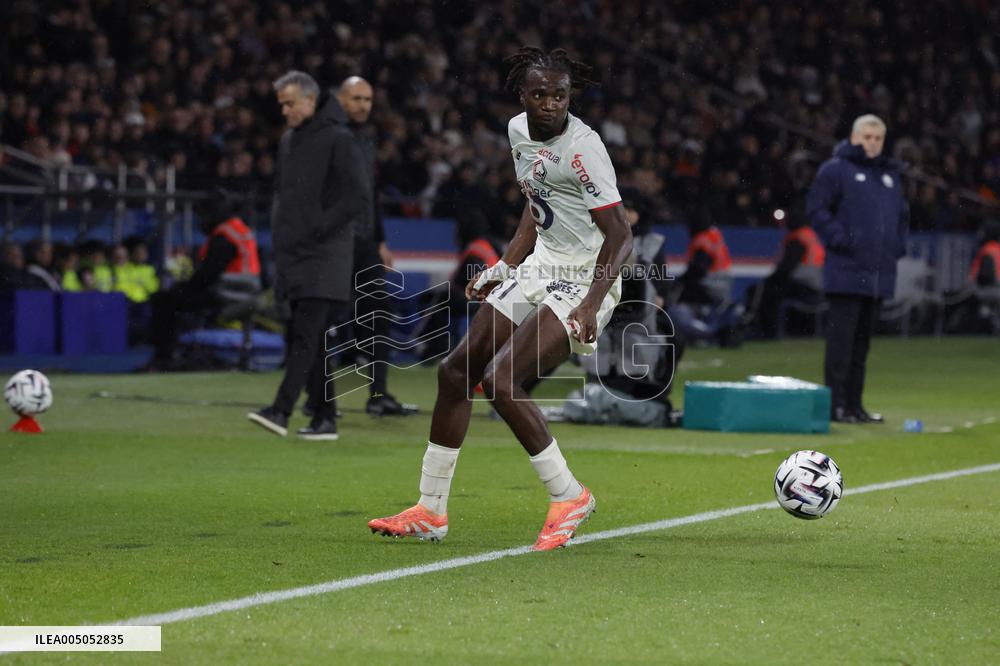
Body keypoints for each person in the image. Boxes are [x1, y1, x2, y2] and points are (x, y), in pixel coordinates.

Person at [367, 47, 633, 551]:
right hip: (539, 267)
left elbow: (621, 236)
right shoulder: (517, 132)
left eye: (560, 94)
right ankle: (430, 510)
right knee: (456, 372)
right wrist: (504, 268)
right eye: (540, 94)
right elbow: (537, 205)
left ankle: (569, 495)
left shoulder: (584, 149)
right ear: (523, 95)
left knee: (502, 380)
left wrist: (590, 304)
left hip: (583, 278)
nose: (551, 103)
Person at [247, 71, 368, 440]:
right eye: (281, 104)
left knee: (304, 335)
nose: (284, 110)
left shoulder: (338, 139)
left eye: (290, 103)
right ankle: (324, 417)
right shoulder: (290, 141)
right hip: (297, 253)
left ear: (310, 100)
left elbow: (357, 195)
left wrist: (318, 227)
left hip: (325, 255)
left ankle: (281, 411)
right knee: (310, 339)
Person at [303, 76, 416, 418]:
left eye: (368, 99)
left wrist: (380, 240)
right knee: (324, 320)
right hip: (332, 245)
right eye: (356, 98)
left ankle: (378, 395)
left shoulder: (365, 143)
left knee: (377, 316)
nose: (363, 105)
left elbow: (371, 196)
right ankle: (319, 399)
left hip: (364, 244)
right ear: (339, 100)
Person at [807, 114, 908, 423]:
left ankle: (855, 404)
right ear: (854, 138)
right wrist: (839, 238)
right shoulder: (835, 170)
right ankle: (835, 405)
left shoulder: (889, 177)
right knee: (841, 343)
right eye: (867, 137)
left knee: (862, 344)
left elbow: (902, 217)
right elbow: (816, 208)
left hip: (877, 273)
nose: (872, 144)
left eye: (878, 138)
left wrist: (897, 246)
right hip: (846, 270)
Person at [148, 190, 261, 368]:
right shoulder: (240, 228)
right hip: (245, 293)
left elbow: (207, 276)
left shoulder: (224, 235)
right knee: (178, 296)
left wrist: (183, 286)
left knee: (164, 300)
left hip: (225, 295)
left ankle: (165, 356)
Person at [743, 207, 825, 338]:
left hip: (804, 285)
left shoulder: (797, 238)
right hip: (817, 287)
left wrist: (768, 280)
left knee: (765, 292)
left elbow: (787, 267)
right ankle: (768, 330)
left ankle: (766, 331)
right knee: (769, 291)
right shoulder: (809, 235)